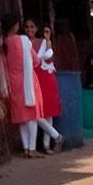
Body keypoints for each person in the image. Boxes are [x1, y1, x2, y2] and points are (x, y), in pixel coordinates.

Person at [0, 13, 63, 157]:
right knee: (32, 115)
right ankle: (32, 149)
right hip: (29, 83)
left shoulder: (0, 43)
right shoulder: (24, 40)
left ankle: (27, 148)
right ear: (15, 26)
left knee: (21, 118)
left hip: (12, 85)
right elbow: (36, 61)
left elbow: (2, 66)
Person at [24, 19, 62, 153]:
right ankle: (56, 136)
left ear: (36, 28)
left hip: (46, 78)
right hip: (32, 80)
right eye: (27, 27)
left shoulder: (44, 42)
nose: (30, 30)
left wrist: (48, 39)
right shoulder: (23, 43)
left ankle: (47, 145)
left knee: (48, 112)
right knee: (35, 113)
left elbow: (49, 59)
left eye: (32, 27)